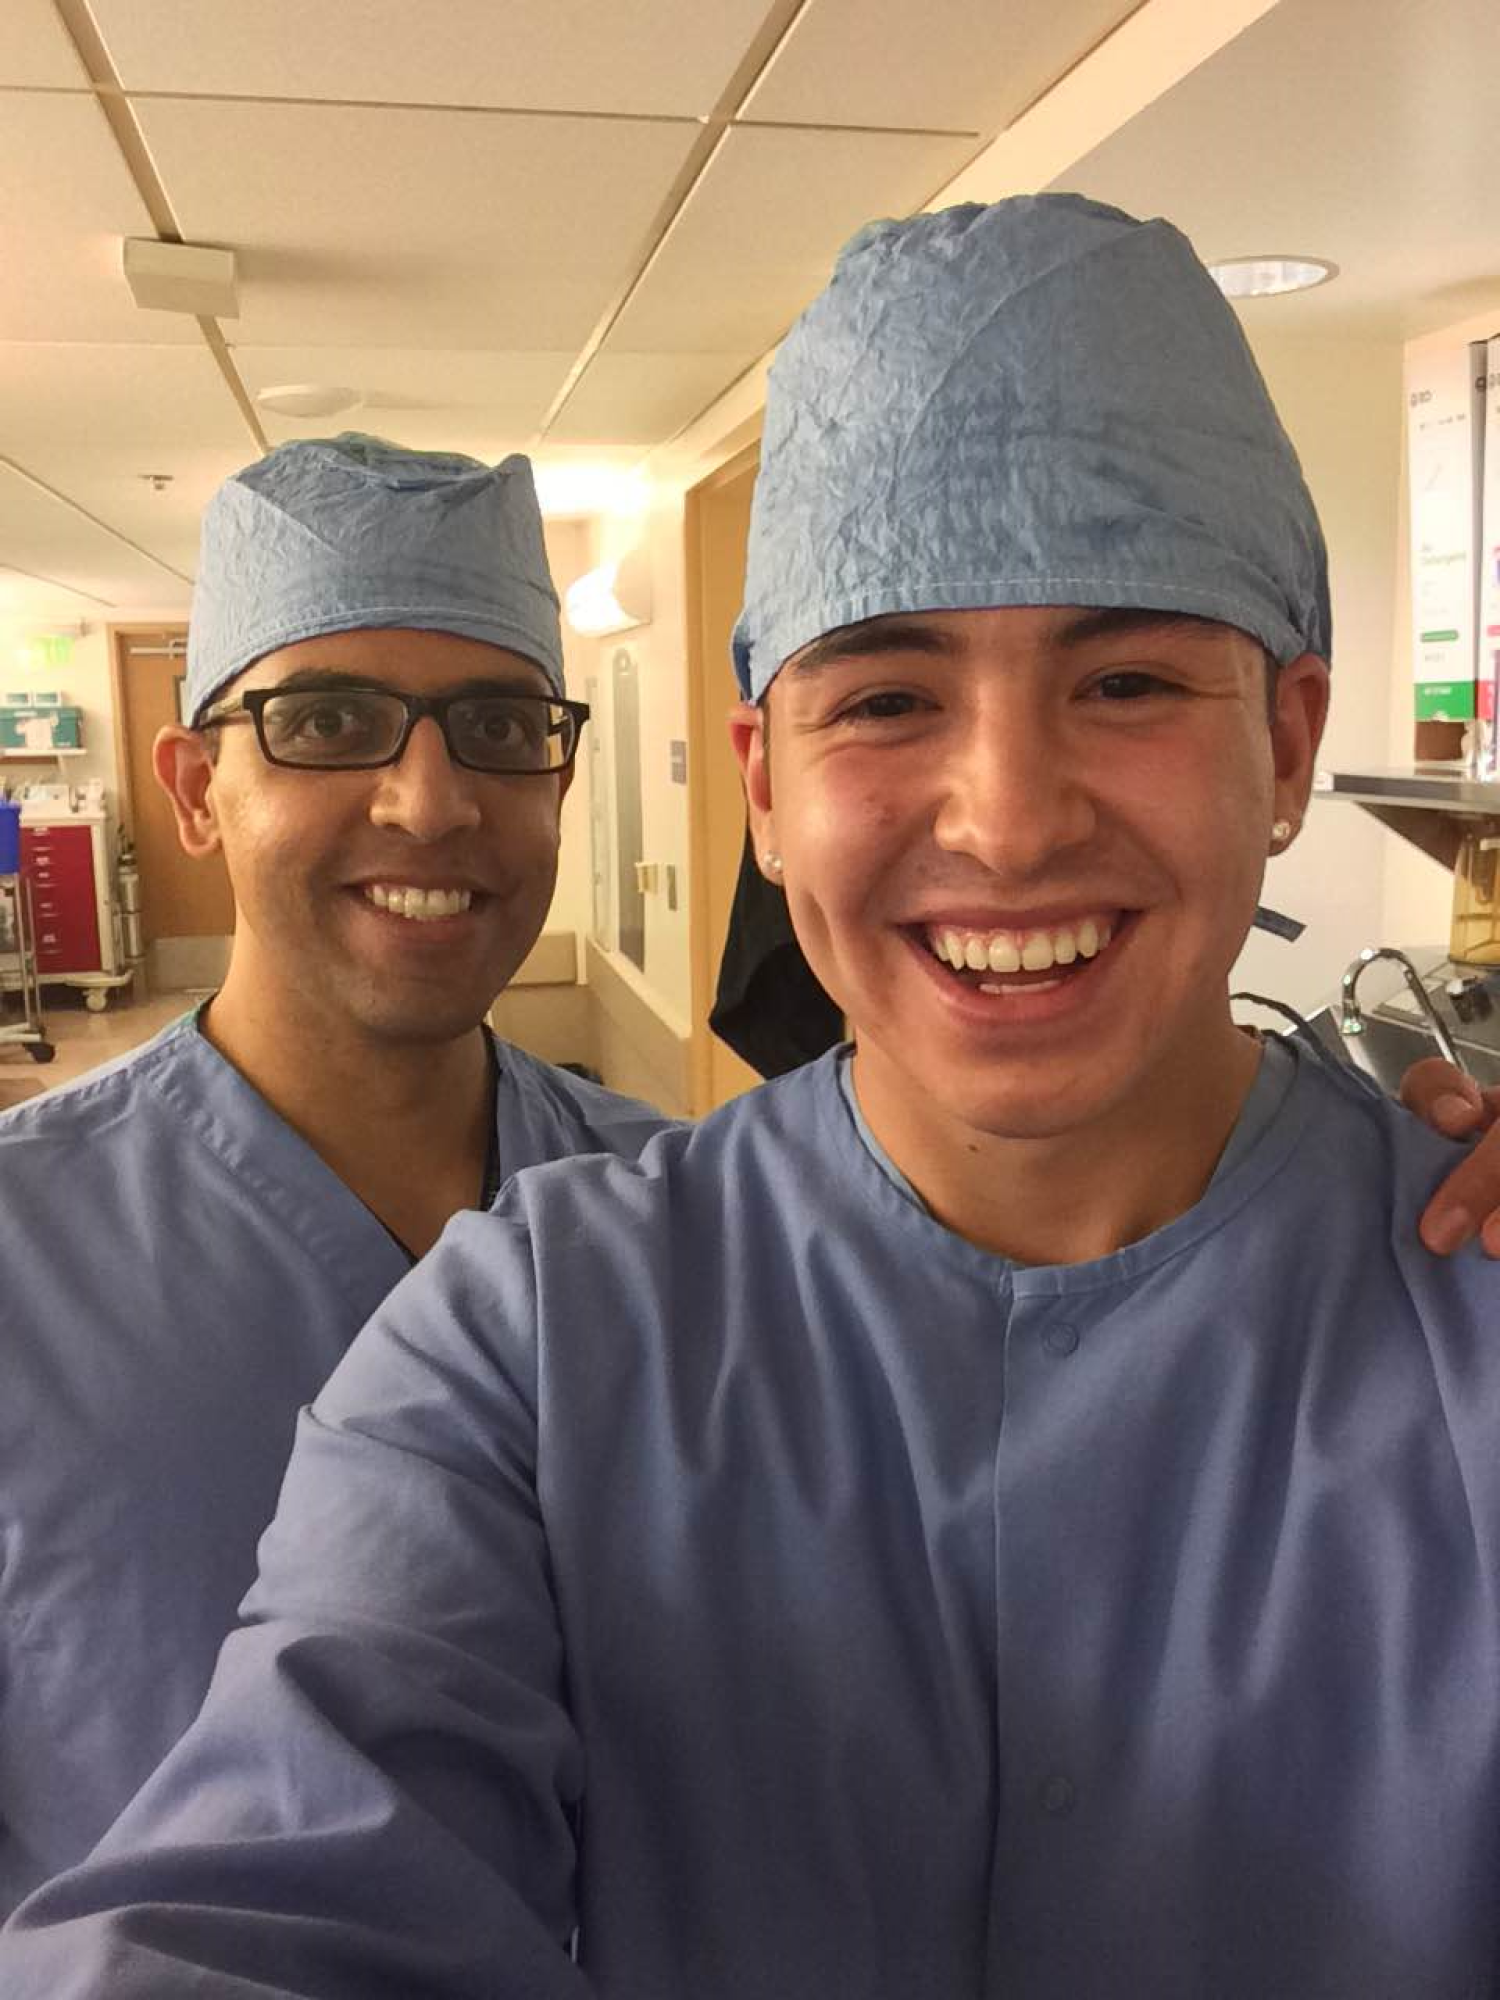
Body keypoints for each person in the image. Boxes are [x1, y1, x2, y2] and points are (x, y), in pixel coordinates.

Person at [5, 198, 1500, 1997]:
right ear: (764, 788)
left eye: (1124, 680)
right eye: (884, 697)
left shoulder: (1463, 1295)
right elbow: (284, 1881)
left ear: (1283, 744)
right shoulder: (542, 1330)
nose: (1008, 819)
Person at [0, 435, 671, 1917]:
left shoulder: (681, 1225)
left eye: (499, 727)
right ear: (195, 788)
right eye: (331, 721)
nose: (429, 802)